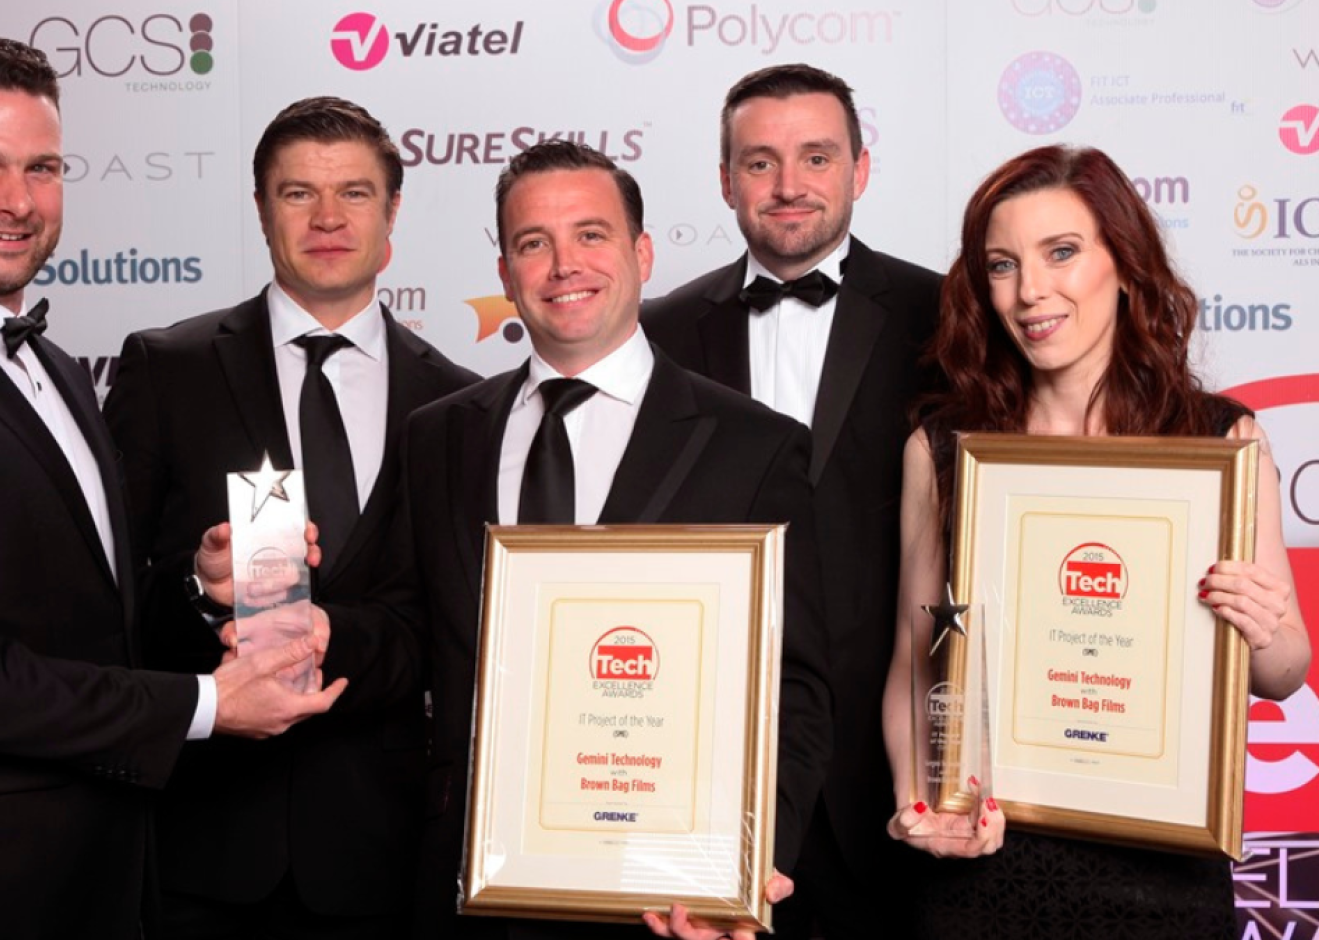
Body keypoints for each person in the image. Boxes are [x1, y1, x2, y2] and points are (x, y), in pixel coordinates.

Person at [0, 35, 344, 940]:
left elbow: (80, 615)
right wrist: (210, 705)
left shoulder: (58, 369)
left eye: (43, 168)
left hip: (103, 874)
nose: (17, 201)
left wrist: (198, 582)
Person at [316, 140, 832, 940]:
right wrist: (315, 632)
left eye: (591, 235)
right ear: (505, 272)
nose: (564, 265)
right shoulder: (439, 436)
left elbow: (791, 687)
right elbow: (410, 630)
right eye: (534, 243)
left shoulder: (752, 447)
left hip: (662, 891)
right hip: (471, 881)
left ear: (642, 254)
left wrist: (746, 863)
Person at [879, 143, 1311, 939]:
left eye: (1062, 252)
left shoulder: (1218, 441)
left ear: (1126, 264)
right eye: (1002, 265)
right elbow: (918, 660)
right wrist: (924, 802)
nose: (1030, 291)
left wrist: (1261, 626)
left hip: (1165, 869)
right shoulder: (943, 452)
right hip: (986, 865)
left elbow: (1285, 672)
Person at [102, 96, 477, 939]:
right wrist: (199, 588)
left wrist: (331, 637)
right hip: (204, 845)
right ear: (262, 208)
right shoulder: (167, 370)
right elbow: (107, 605)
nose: (327, 217)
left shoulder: (457, 403)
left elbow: (458, 626)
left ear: (392, 211)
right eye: (298, 192)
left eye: (354, 192)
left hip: (386, 854)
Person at [640, 63, 940, 939]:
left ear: (860, 169)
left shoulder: (945, 316)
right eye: (760, 162)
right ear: (725, 179)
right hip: (713, 773)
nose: (789, 185)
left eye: (816, 157)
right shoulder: (658, 332)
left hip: (895, 785)